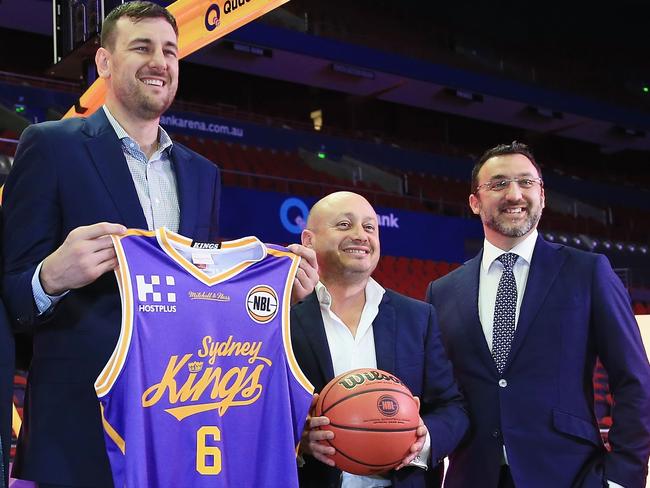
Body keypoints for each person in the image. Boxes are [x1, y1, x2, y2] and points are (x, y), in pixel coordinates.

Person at [0, 3, 317, 487]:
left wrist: (276, 296)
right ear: (104, 62)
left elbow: (201, 302)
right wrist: (51, 277)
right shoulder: (49, 145)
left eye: (170, 51)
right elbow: (13, 295)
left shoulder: (202, 173)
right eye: (142, 47)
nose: (160, 62)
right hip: (79, 433)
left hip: (176, 431)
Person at [426, 141, 650, 488]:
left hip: (570, 476)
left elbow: (634, 380)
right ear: (475, 201)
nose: (514, 194)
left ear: (542, 196)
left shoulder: (588, 272)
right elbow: (440, 396)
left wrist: (621, 477)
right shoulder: (442, 291)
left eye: (526, 182)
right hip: (471, 476)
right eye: (498, 184)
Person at [292, 191, 469, 488]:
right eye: (345, 225)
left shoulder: (418, 317)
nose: (360, 235)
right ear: (308, 240)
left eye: (369, 227)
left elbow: (452, 407)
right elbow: (250, 409)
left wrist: (423, 439)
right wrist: (299, 439)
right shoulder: (281, 318)